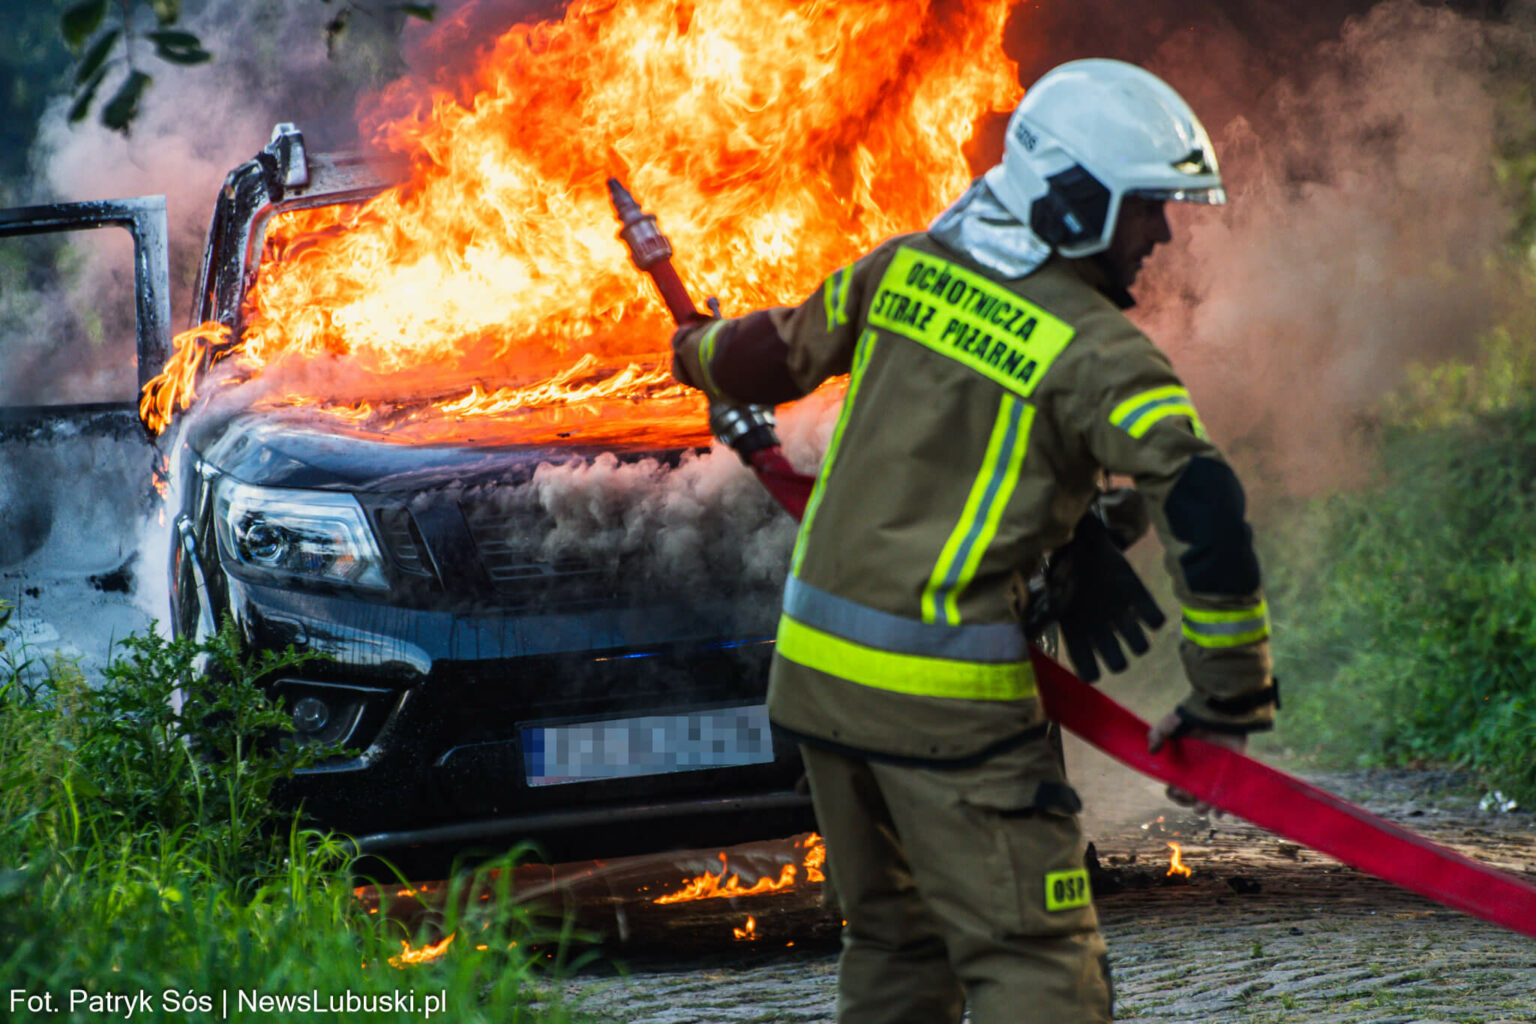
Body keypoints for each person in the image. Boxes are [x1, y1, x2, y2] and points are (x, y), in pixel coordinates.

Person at [670, 58, 1277, 1024]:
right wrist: (1230, 695)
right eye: (1144, 209)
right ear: (1074, 200)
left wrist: (693, 349)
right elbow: (1201, 500)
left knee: (894, 950)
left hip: (820, 690)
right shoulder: (1099, 351)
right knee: (1037, 966)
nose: (1161, 235)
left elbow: (762, 355)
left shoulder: (904, 270)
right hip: (945, 716)